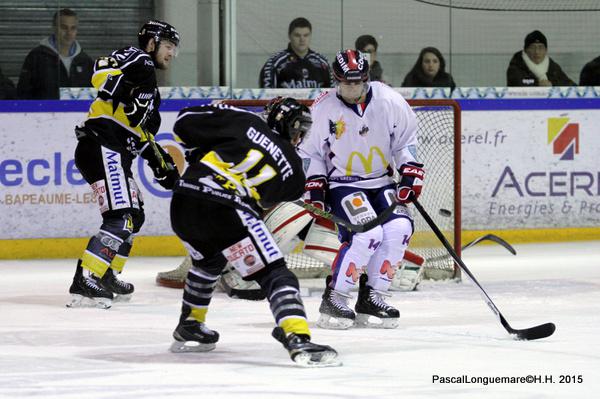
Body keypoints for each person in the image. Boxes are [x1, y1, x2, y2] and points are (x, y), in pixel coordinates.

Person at [167, 97, 340, 367]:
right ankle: (297, 335)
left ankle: (191, 324)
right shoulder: (295, 169)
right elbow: (264, 203)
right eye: (299, 131)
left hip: (184, 201)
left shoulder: (242, 120)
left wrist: (203, 147)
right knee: (274, 272)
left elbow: (183, 124)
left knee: (208, 261)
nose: (299, 137)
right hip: (227, 208)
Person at [299, 49, 424, 330]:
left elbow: (405, 141)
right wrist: (316, 188)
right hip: (343, 184)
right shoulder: (323, 107)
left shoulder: (389, 100)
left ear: (367, 79)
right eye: (346, 83)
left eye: (357, 82)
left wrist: (410, 171)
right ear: (337, 80)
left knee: (399, 229)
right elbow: (310, 152)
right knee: (367, 233)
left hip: (381, 181)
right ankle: (335, 296)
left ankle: (373, 297)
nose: (352, 88)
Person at [66, 20, 181, 309]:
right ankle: (87, 276)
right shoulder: (137, 57)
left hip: (116, 151)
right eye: (168, 46)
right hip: (102, 145)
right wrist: (119, 88)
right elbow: (100, 70)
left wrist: (159, 162)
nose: (171, 54)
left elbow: (140, 133)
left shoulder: (152, 92)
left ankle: (106, 273)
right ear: (152, 42)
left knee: (135, 216)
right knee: (122, 217)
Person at [17, 8, 94, 99]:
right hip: (43, 112)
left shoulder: (85, 61)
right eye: (64, 27)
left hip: (77, 113)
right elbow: (23, 92)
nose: (69, 33)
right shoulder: (37, 57)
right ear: (54, 27)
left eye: (73, 28)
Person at [259, 17, 333, 88]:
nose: (302, 39)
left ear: (310, 36)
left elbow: (333, 93)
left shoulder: (322, 63)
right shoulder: (274, 63)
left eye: (306, 35)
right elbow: (266, 95)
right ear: (289, 36)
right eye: (297, 35)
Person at [506, 30, 575, 87]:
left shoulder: (553, 68)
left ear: (546, 50)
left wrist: (553, 85)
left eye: (540, 47)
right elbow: (519, 85)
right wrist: (538, 85)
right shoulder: (516, 67)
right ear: (526, 50)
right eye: (533, 47)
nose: (537, 52)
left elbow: (570, 85)